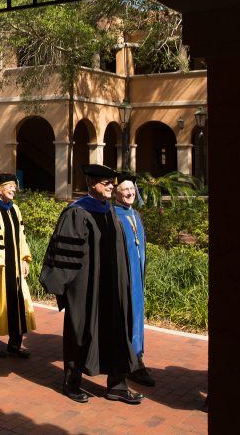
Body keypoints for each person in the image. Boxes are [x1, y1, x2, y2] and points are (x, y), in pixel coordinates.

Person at [40, 163, 143, 405]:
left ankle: (117, 386)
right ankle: (72, 383)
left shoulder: (110, 211)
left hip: (113, 287)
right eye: (106, 183)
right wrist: (62, 286)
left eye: (112, 184)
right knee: (80, 332)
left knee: (117, 332)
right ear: (92, 184)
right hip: (86, 288)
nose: (111, 188)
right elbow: (67, 253)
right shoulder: (77, 212)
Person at [0, 172, 36, 357]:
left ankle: (15, 344)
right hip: (0, 268)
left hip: (16, 267)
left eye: (14, 186)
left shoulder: (15, 209)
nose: (14, 190)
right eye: (10, 186)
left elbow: (21, 236)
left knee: (18, 303)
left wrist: (24, 259)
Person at [114, 175, 155, 388]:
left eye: (132, 189)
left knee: (136, 317)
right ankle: (128, 363)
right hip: (122, 280)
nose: (130, 193)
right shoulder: (113, 216)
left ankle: (136, 358)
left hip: (137, 278)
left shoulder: (135, 214)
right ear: (116, 192)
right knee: (124, 318)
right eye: (125, 189)